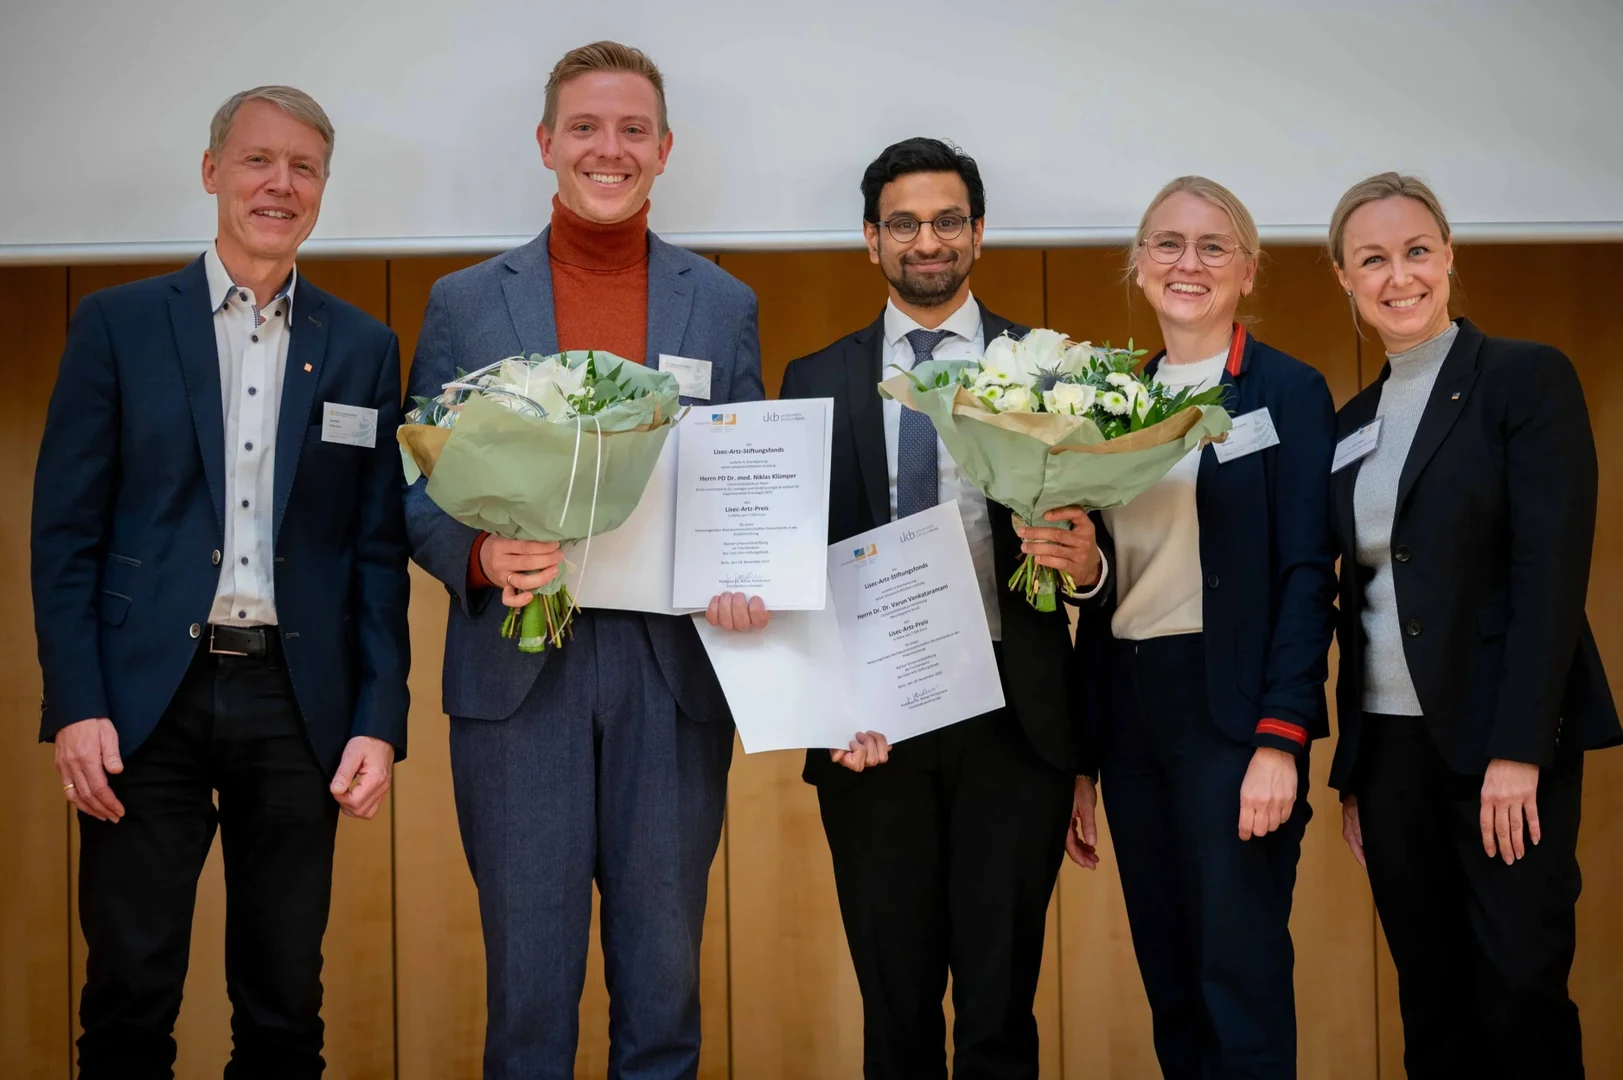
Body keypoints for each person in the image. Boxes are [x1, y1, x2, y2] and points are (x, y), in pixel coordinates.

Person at [31, 86, 411, 1078]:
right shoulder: (116, 326)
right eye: (257, 161)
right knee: (128, 994)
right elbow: (64, 534)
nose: (279, 184)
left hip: (297, 705)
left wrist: (379, 716)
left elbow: (376, 551)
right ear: (213, 172)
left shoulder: (364, 350)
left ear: (323, 189)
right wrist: (75, 704)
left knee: (285, 1006)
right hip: (142, 706)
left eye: (304, 168)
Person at [402, 41, 765, 1079]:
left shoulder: (722, 303)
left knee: (663, 996)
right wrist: (478, 557)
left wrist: (753, 575)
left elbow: (744, 479)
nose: (610, 149)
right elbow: (413, 485)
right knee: (529, 999)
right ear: (547, 144)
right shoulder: (467, 302)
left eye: (633, 130)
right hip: (520, 687)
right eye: (587, 128)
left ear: (665, 150)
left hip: (671, 679)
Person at [778, 137, 1101, 1079]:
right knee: (897, 1008)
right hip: (871, 728)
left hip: (1015, 718)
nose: (930, 240)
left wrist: (1084, 566)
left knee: (1001, 1008)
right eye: (907, 223)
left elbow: (1094, 551)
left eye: (949, 221)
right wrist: (822, 700)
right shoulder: (814, 378)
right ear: (870, 240)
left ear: (979, 234)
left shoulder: (1049, 374)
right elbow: (794, 564)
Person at [1325, 172, 1620, 1080]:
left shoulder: (1523, 378)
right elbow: (1356, 598)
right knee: (1431, 998)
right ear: (1343, 277)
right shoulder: (1351, 423)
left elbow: (1549, 575)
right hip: (1391, 757)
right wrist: (1353, 773)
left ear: (1448, 258)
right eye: (1372, 258)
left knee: (1519, 988)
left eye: (1416, 251)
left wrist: (1518, 750)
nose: (1398, 275)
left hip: (1500, 743)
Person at [1069, 176, 1338, 1078]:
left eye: (1212, 246)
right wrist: (1081, 756)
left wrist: (1281, 738)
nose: (1188, 263)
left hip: (1234, 718)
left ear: (1248, 272)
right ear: (1138, 266)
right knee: (1173, 981)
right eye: (1167, 243)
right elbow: (1111, 581)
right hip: (1131, 714)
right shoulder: (1107, 399)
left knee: (1240, 976)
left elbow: (1308, 576)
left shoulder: (1288, 392)